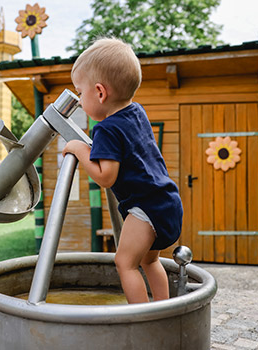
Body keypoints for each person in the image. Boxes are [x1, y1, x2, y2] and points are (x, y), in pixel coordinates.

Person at [62, 38, 183, 304]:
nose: (80, 101)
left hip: (145, 208)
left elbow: (106, 177)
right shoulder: (137, 112)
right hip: (167, 201)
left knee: (124, 263)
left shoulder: (105, 128)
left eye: (80, 93)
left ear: (100, 93)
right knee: (151, 261)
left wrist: (79, 149)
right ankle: (164, 309)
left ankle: (140, 318)